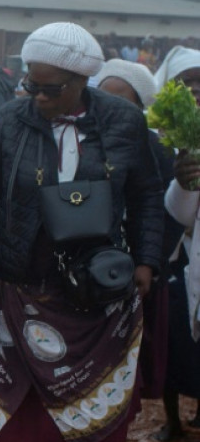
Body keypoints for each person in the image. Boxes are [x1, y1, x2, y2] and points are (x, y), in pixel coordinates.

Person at [0, 22, 163, 442]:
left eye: (50, 89)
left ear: (82, 81)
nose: (38, 97)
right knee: (18, 420)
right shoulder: (9, 121)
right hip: (20, 287)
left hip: (99, 290)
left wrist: (147, 261)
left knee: (95, 419)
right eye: (32, 84)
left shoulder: (123, 121)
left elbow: (146, 196)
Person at [98, 59, 178, 410]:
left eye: (122, 102)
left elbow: (165, 212)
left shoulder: (156, 150)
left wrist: (150, 261)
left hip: (137, 268)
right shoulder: (83, 140)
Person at [153, 45, 200, 442]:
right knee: (171, 339)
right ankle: (172, 419)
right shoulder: (154, 137)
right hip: (170, 257)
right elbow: (176, 214)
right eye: (188, 83)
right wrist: (182, 182)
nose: (197, 91)